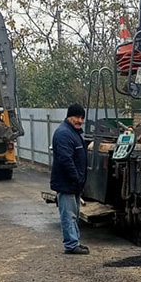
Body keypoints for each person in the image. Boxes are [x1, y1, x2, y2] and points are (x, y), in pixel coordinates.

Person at [51, 103, 89, 255]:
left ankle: (75, 242)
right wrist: (76, 178)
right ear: (68, 116)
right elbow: (65, 159)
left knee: (74, 215)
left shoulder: (74, 133)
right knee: (68, 215)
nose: (79, 120)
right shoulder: (64, 134)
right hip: (67, 183)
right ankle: (71, 244)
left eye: (81, 118)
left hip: (74, 183)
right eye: (76, 117)